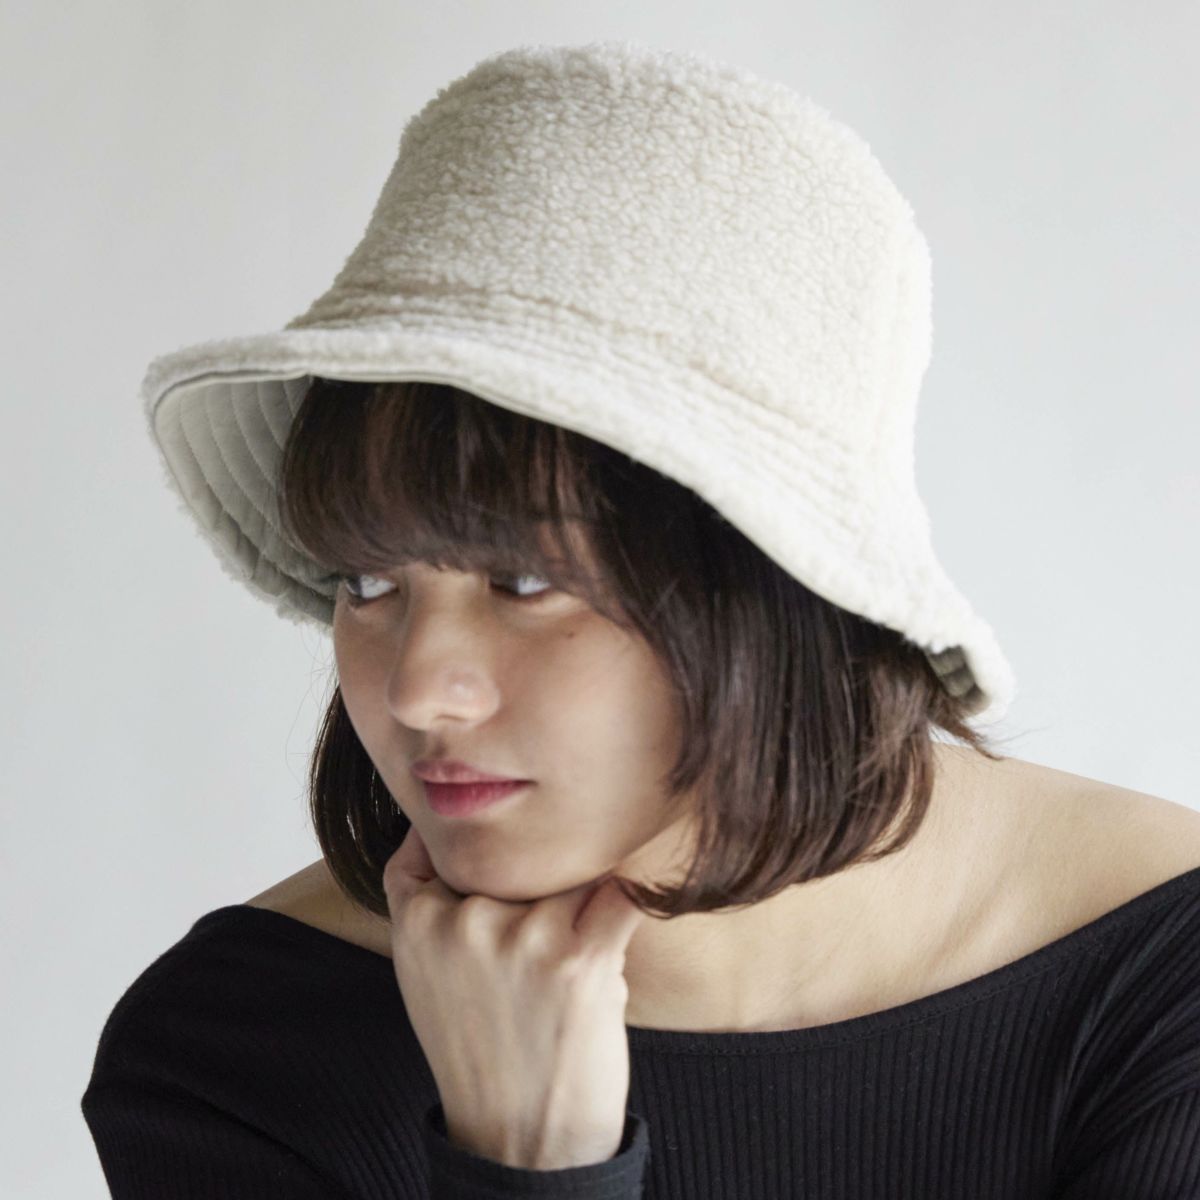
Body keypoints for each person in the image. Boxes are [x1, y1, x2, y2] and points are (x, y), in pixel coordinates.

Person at [81, 39, 1200, 1198]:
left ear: (774, 587)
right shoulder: (235, 1056)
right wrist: (526, 1161)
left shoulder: (1164, 977)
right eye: (367, 584)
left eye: (523, 582)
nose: (416, 689)